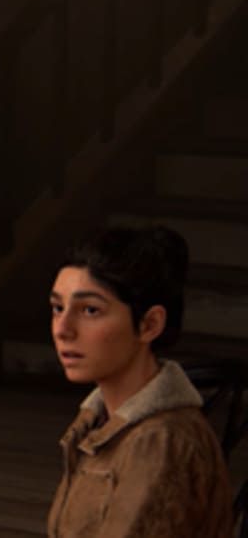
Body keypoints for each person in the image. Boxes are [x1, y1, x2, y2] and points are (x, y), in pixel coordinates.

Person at [47, 225, 234, 537]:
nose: (62, 329)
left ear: (149, 324)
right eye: (58, 308)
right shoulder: (99, 420)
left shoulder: (160, 443)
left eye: (90, 310)